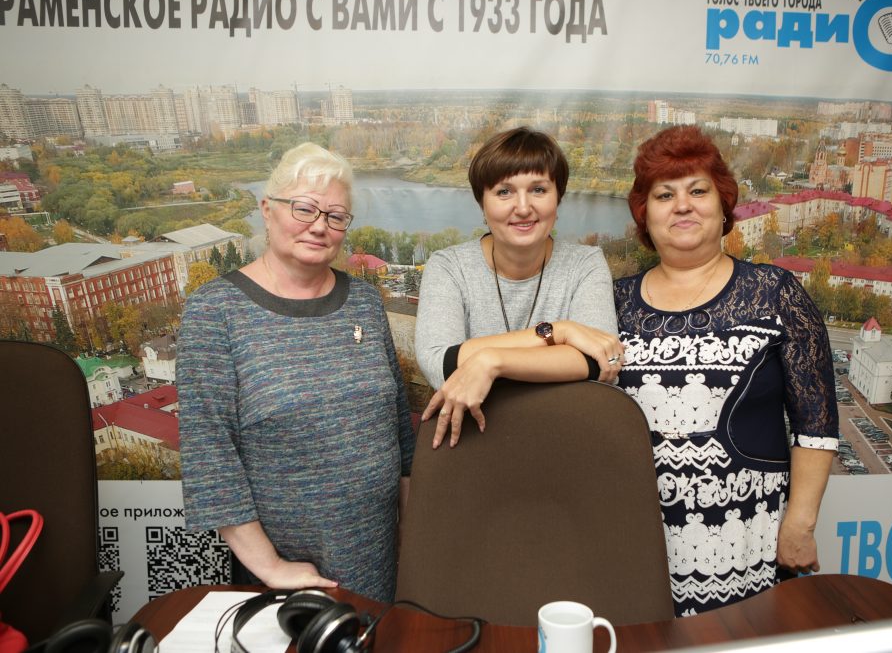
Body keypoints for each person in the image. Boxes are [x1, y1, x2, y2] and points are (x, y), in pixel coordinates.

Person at [614, 126, 838, 617]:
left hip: (746, 537)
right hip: (633, 539)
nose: (682, 206)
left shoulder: (775, 294)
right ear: (644, 214)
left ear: (723, 206)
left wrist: (799, 525)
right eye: (664, 195)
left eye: (698, 191)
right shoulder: (614, 303)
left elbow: (816, 425)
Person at [178, 142, 415, 602]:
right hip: (285, 571)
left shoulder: (365, 301)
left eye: (335, 216)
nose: (319, 226)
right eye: (304, 209)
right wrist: (270, 567)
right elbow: (210, 454)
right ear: (267, 210)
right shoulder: (215, 311)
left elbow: (398, 430)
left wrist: (410, 535)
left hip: (378, 556)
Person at [415, 127, 623, 448]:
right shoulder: (449, 267)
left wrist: (490, 361)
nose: (523, 208)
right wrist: (560, 332)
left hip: (568, 443)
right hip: (471, 446)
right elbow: (439, 363)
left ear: (558, 198)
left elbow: (599, 362)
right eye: (504, 192)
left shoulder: (586, 264)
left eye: (538, 189)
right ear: (482, 204)